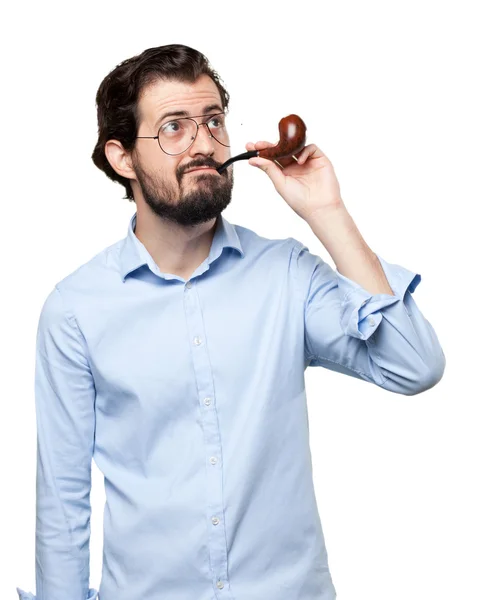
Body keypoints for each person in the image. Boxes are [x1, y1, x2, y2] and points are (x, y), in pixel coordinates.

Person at [16, 44, 446, 600]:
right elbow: (62, 498)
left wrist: (327, 214)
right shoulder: (76, 310)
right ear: (122, 158)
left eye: (213, 121)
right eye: (174, 127)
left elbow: (414, 365)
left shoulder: (286, 275)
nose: (203, 143)